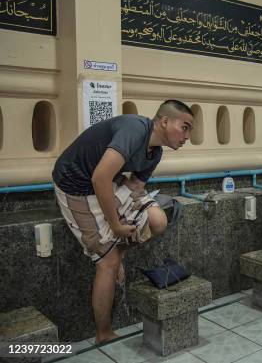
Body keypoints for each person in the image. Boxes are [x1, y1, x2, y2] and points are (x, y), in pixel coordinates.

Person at [52, 100, 194, 344]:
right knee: (108, 262)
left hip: (107, 184)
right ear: (165, 121)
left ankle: (119, 252)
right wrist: (116, 225)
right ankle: (103, 333)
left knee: (158, 220)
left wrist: (125, 216)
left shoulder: (155, 152)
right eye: (185, 127)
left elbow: (135, 187)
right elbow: (99, 178)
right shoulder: (135, 129)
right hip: (75, 185)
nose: (187, 136)